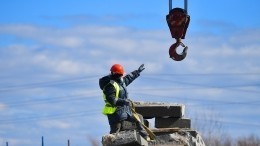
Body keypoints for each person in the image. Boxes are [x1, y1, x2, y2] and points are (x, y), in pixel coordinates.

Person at [99, 63, 148, 139]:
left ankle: (145, 137)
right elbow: (112, 100)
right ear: (116, 75)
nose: (122, 76)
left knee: (138, 119)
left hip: (124, 111)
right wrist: (124, 101)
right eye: (121, 75)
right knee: (115, 132)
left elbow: (129, 78)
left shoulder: (121, 82)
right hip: (114, 113)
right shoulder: (110, 86)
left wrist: (137, 71)